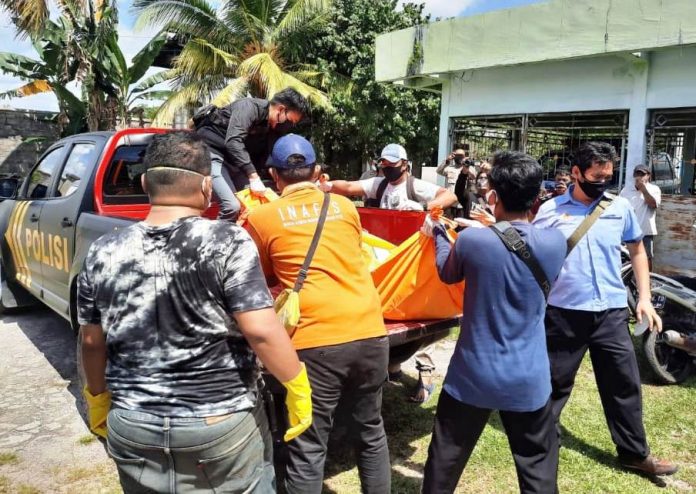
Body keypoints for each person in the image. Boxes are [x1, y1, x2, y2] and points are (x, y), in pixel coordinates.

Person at [78, 132, 313, 493]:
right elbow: (261, 331)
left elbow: (92, 342)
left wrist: (97, 398)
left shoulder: (102, 249)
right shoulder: (227, 241)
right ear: (207, 186)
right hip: (218, 426)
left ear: (144, 182)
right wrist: (296, 385)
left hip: (133, 424)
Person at [246, 134, 391, 494]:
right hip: (371, 331)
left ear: (273, 176)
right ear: (317, 172)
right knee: (371, 432)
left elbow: (261, 278)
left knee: (309, 445)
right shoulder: (346, 207)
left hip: (315, 341)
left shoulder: (261, 219)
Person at [420, 151, 567, 494]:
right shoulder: (556, 243)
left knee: (445, 461)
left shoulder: (473, 240)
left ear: (493, 196)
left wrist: (440, 234)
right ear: (538, 198)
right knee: (538, 467)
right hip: (528, 377)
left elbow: (447, 272)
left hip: (473, 374)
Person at [534, 142, 677, 477]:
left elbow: (638, 251)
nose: (602, 183)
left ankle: (633, 454)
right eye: (596, 177)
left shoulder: (621, 207)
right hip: (564, 314)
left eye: (608, 178)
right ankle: (540, 446)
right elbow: (534, 261)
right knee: (553, 385)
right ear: (576, 173)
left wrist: (644, 297)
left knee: (623, 384)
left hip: (611, 313)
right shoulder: (550, 212)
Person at [193, 88, 310, 220]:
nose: (289, 126)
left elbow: (270, 159)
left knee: (258, 204)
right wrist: (254, 177)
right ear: (281, 109)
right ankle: (218, 239)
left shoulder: (273, 127)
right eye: (290, 121)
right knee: (232, 206)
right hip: (213, 153)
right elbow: (233, 142)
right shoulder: (249, 107)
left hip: (235, 163)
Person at [321, 143, 457, 211]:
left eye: (392, 163)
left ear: (404, 164)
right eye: (384, 163)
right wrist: (328, 186)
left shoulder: (414, 186)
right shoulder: (378, 184)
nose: (386, 166)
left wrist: (423, 206)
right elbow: (349, 187)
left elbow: (450, 196)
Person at [620, 164, 661, 271]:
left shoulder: (654, 189)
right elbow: (619, 208)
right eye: (637, 174)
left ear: (648, 176)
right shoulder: (626, 191)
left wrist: (643, 189)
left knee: (647, 257)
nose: (639, 177)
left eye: (642, 174)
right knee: (627, 258)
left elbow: (653, 204)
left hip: (645, 231)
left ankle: (648, 281)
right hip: (628, 231)